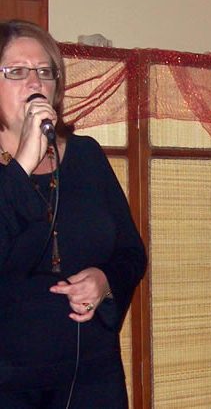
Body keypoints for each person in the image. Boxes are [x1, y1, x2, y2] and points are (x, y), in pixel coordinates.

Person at [0, 20, 147, 408]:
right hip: (9, 383)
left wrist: (105, 281)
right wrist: (23, 164)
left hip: (92, 374)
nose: (35, 82)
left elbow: (131, 252)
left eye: (44, 71)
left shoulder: (86, 155)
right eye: (17, 71)